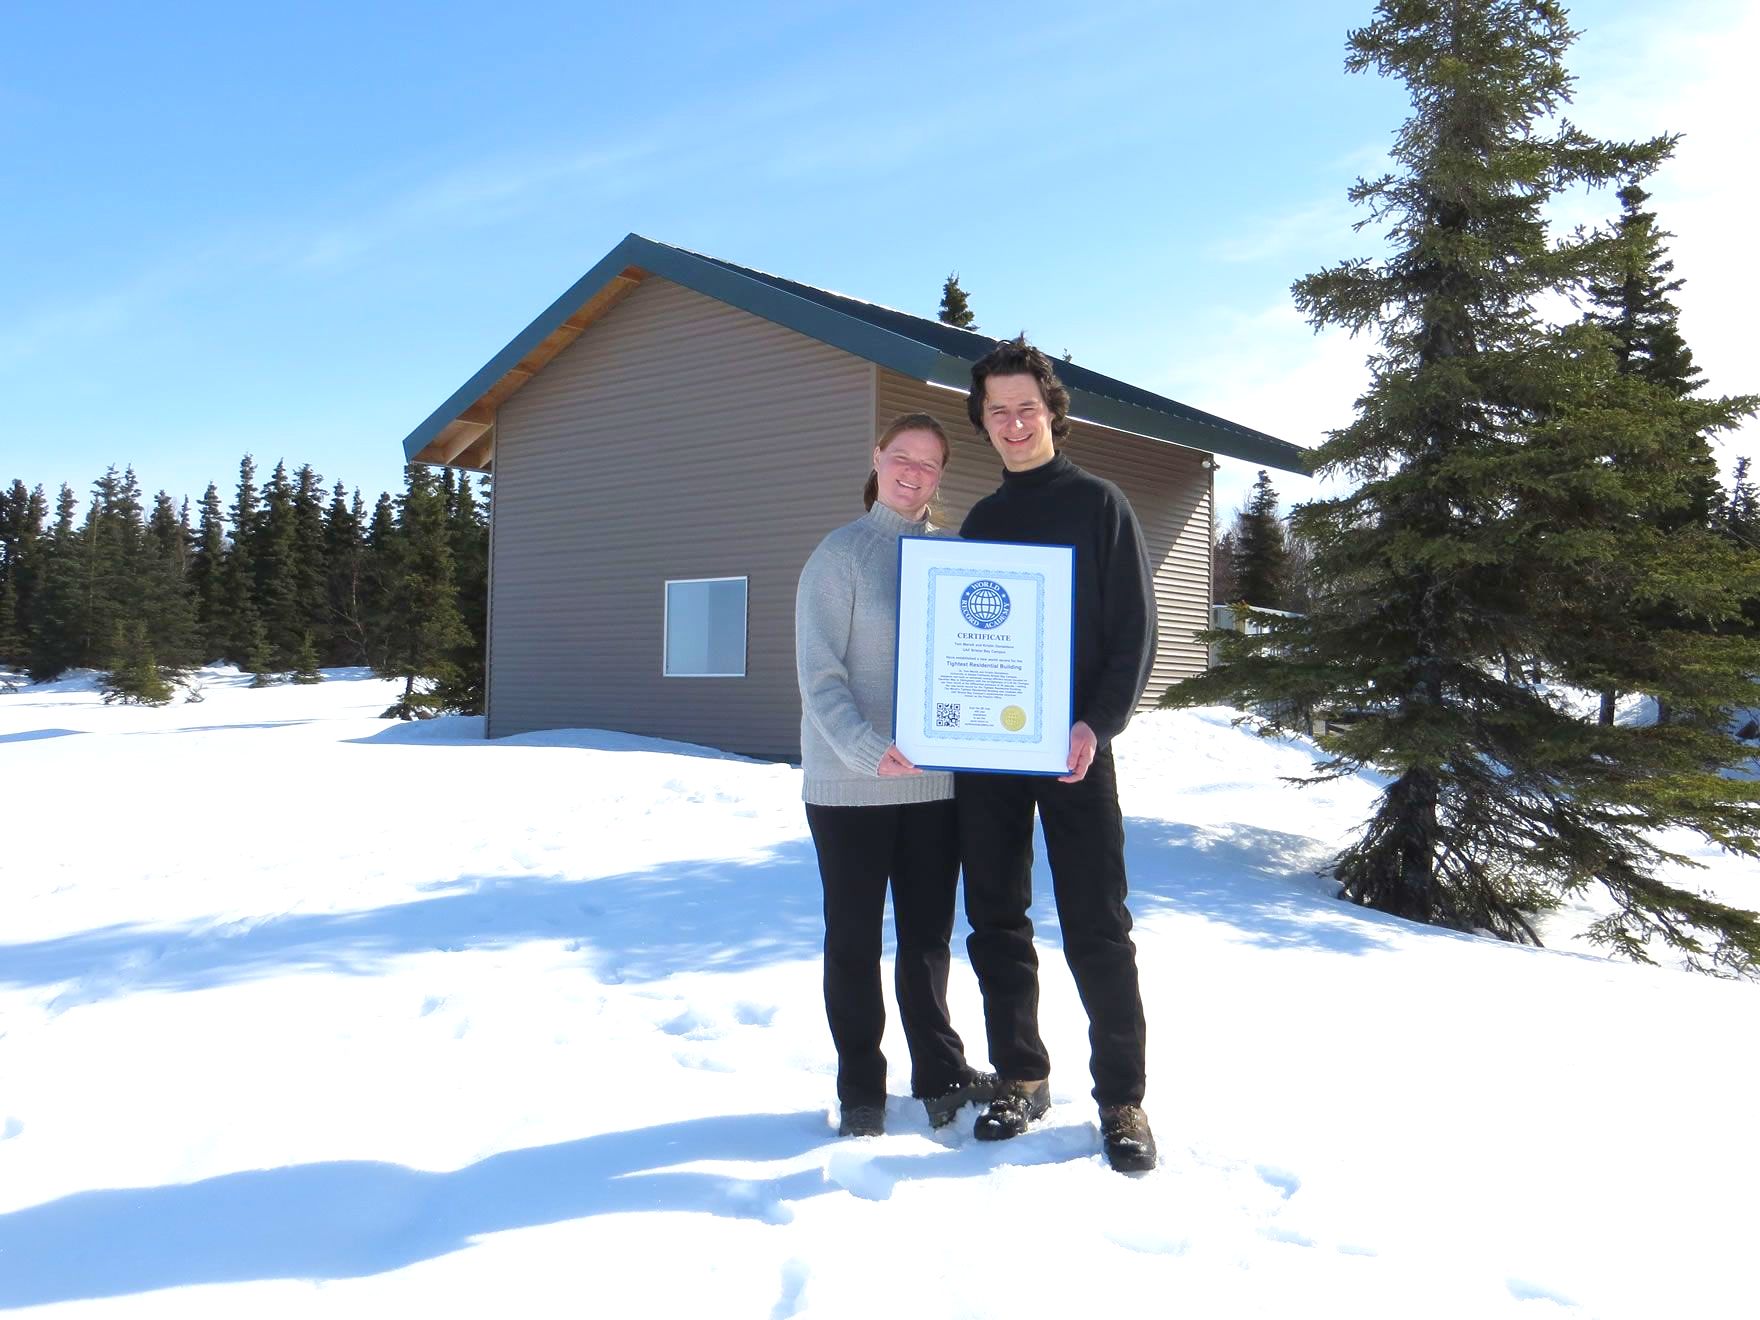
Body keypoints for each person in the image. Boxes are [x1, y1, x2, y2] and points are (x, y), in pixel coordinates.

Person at [956, 337, 1159, 1173]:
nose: (1011, 423)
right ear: (984, 421)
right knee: (997, 919)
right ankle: (1021, 1075)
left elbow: (1133, 635)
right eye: (997, 411)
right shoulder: (982, 521)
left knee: (1097, 927)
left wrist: (1095, 725)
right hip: (990, 755)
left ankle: (1122, 1099)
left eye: (1025, 408)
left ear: (1052, 414)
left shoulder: (1100, 505)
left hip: (1075, 751)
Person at [795, 413, 996, 1137]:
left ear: (941, 477)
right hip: (851, 787)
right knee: (852, 938)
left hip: (933, 787)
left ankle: (940, 1074)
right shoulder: (840, 556)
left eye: (931, 464)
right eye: (902, 457)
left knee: (927, 939)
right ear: (877, 458)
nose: (914, 472)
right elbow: (819, 678)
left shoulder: (955, 559)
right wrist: (865, 747)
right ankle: (861, 1091)